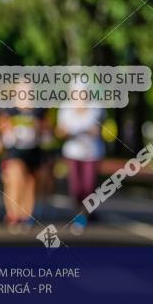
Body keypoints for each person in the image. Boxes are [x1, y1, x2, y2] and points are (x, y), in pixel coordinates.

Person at [0, 85, 46, 232]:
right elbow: (2, 131)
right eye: (23, 92)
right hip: (14, 152)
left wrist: (40, 132)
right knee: (16, 180)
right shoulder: (9, 112)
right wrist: (9, 133)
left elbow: (46, 132)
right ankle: (13, 214)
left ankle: (26, 215)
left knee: (30, 183)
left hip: (34, 152)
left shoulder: (39, 112)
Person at [57, 96, 105, 231]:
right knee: (76, 188)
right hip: (73, 152)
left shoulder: (96, 107)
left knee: (88, 186)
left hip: (92, 152)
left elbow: (98, 130)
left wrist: (87, 129)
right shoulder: (65, 107)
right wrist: (67, 132)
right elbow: (60, 131)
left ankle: (84, 214)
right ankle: (81, 212)